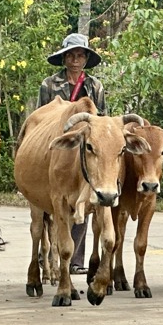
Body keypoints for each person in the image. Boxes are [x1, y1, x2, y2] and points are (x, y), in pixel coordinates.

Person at [37, 32, 107, 275]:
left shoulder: (95, 86)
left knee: (83, 202)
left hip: (84, 148)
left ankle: (75, 259)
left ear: (86, 58)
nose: (75, 60)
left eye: (80, 55)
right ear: (64, 58)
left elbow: (101, 120)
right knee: (50, 204)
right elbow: (41, 117)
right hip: (57, 143)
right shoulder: (49, 85)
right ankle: (45, 252)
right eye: (71, 55)